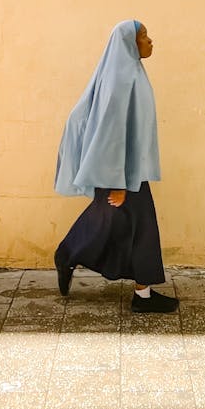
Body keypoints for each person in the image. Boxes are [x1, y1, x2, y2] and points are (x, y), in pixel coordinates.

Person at [53, 20, 179, 313]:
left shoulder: (131, 72)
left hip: (128, 170)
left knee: (120, 224)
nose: (150, 41)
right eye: (144, 36)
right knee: (138, 227)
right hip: (120, 172)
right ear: (128, 43)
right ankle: (72, 255)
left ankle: (71, 255)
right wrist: (117, 182)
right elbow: (111, 131)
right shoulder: (121, 79)